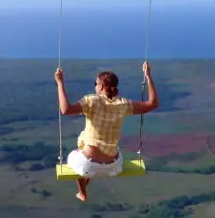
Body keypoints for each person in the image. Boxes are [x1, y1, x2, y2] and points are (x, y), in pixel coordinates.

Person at [55, 62, 159, 201]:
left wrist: (60, 83)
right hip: (114, 167)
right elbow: (153, 104)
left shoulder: (91, 100)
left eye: (96, 83)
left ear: (101, 86)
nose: (95, 86)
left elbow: (66, 110)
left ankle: (82, 192)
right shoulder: (123, 104)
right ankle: (84, 187)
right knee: (90, 153)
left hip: (88, 164)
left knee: (76, 155)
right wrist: (148, 76)